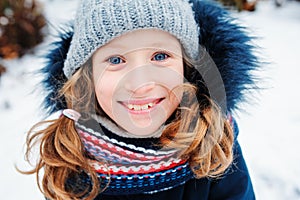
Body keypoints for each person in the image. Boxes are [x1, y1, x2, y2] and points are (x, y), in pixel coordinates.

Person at [22, 0, 258, 199]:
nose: (140, 84)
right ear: (87, 76)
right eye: (115, 60)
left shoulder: (213, 141)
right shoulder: (69, 151)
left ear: (186, 67)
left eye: (160, 56)